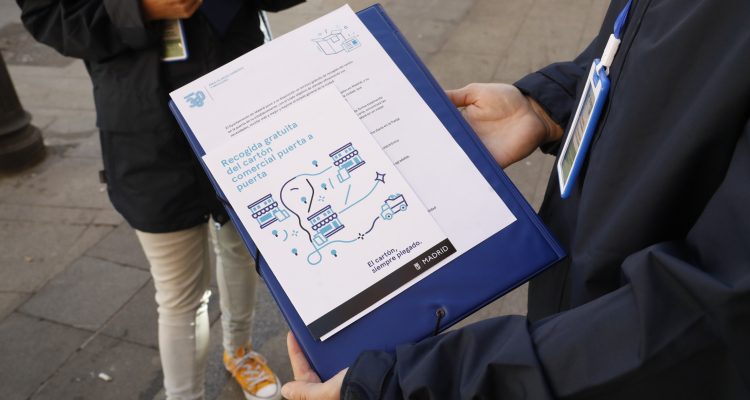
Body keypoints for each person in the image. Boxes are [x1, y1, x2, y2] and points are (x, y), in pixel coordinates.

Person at [280, 0, 750, 398]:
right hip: (576, 310)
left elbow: (710, 317)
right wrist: (549, 103)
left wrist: (408, 385)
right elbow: (647, 51)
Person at [17, 0, 302, 399]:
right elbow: (48, 14)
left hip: (238, 105)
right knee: (181, 294)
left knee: (242, 252)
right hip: (145, 128)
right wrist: (141, 9)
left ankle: (240, 351)